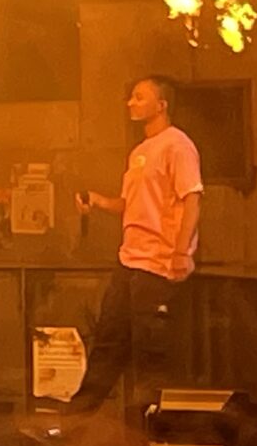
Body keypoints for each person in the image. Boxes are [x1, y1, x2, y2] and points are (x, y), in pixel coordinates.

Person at [68, 74, 203, 414]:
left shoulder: (178, 145)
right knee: (108, 341)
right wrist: (98, 200)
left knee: (149, 352)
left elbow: (192, 200)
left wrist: (180, 252)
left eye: (139, 97)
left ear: (162, 105)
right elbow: (130, 205)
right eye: (131, 97)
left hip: (158, 264)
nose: (131, 103)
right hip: (129, 261)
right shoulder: (139, 152)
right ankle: (75, 420)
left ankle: (148, 426)